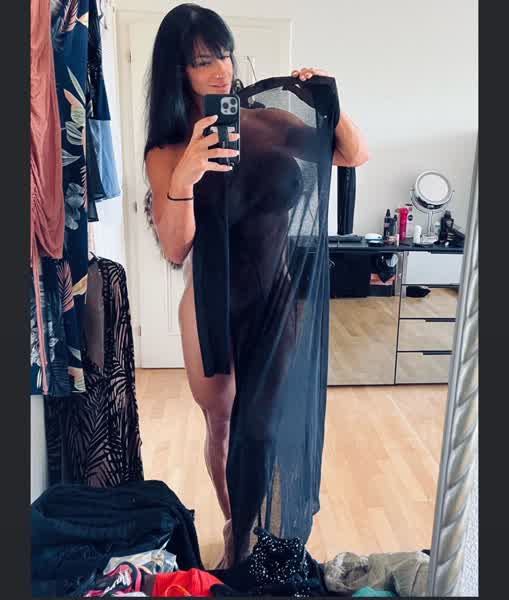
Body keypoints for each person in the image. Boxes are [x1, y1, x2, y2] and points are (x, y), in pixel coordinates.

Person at [144, 3, 369, 567]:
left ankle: (250, 526)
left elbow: (353, 154)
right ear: (177, 71)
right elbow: (175, 248)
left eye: (224, 54)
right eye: (202, 61)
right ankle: (237, 529)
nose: (221, 69)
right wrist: (187, 172)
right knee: (223, 424)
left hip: (276, 297)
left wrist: (328, 102)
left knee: (262, 426)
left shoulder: (269, 122)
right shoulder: (168, 151)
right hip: (211, 307)